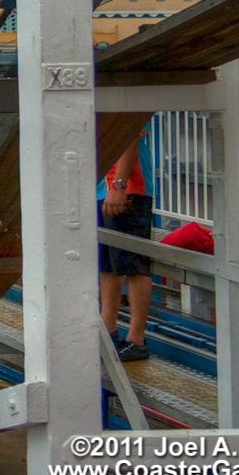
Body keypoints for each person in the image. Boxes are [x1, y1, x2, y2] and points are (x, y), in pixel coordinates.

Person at [100, 126, 156, 361]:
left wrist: (119, 186)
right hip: (106, 188)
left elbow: (130, 136)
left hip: (129, 191)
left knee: (135, 264)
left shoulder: (126, 94)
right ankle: (108, 330)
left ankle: (137, 340)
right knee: (108, 263)